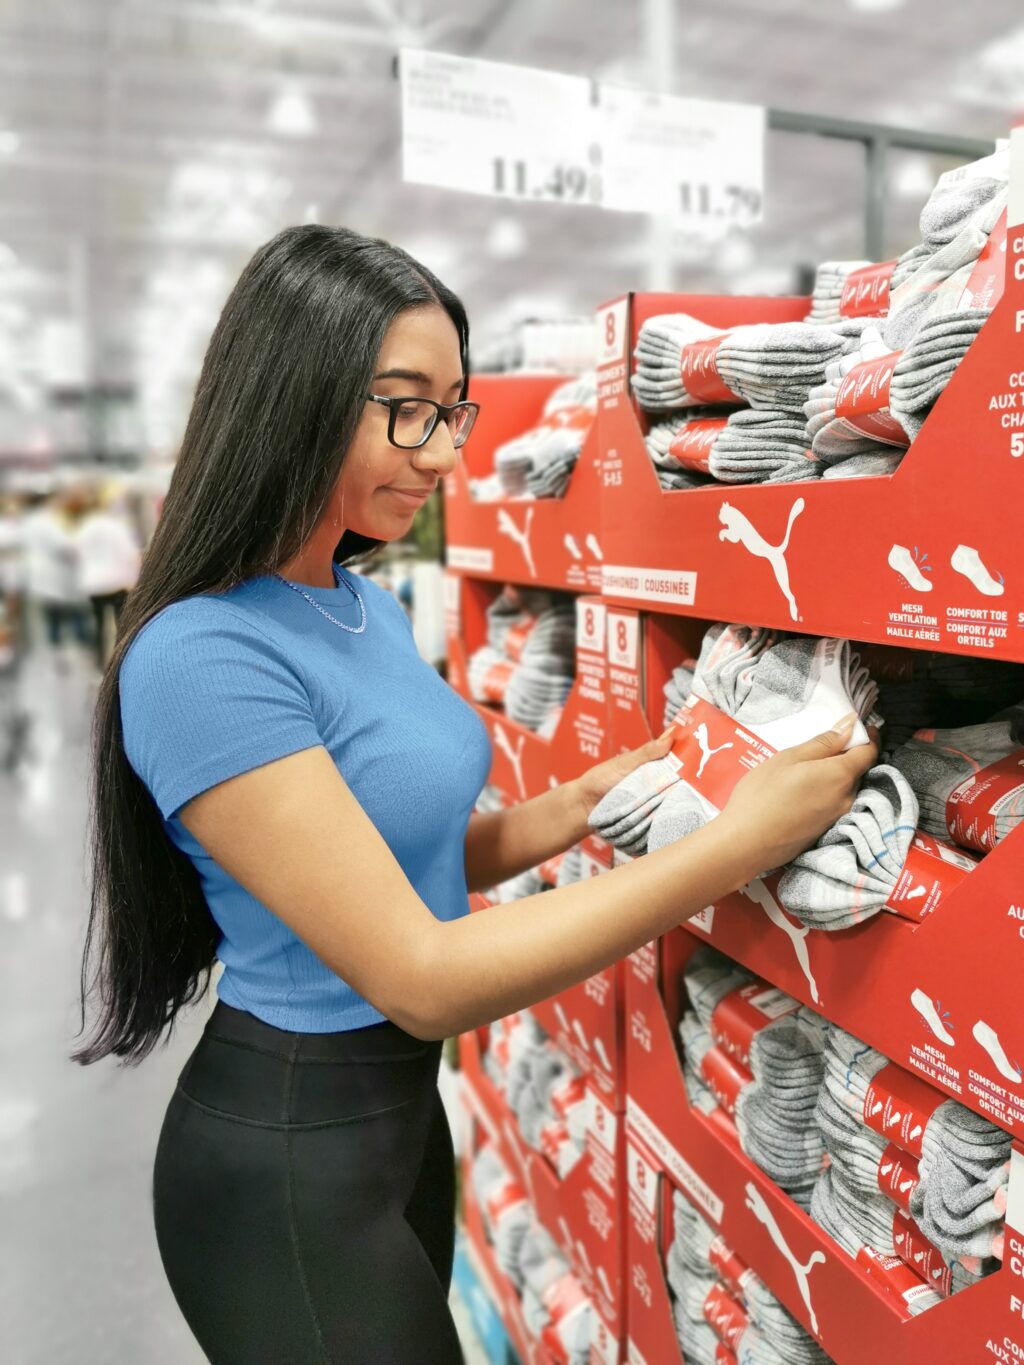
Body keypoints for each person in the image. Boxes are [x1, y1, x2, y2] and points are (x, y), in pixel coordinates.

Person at [75, 226, 876, 1365]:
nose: (444, 454)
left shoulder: (366, 605)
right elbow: (422, 976)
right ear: (289, 394)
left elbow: (404, 852)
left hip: (402, 1126)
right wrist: (734, 844)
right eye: (405, 407)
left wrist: (588, 799)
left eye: (453, 411)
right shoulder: (201, 657)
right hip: (287, 1162)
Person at [74, 485, 142, 669]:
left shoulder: (86, 526)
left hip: (94, 583)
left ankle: (98, 662)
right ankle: (120, 660)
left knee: (98, 624)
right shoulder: (118, 526)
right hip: (116, 582)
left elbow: (77, 551)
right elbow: (130, 553)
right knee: (120, 623)